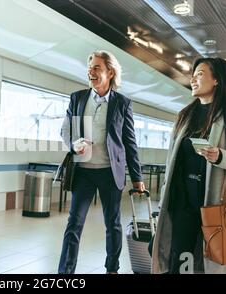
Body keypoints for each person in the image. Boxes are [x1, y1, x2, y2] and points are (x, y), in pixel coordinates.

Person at [151, 57, 226, 274]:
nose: (193, 79)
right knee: (181, 263)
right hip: (183, 204)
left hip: (218, 205)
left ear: (217, 80)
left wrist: (221, 156)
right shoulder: (185, 115)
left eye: (200, 74)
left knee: (214, 263)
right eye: (193, 74)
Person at [58, 50, 145, 274]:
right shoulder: (77, 98)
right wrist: (73, 144)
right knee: (74, 224)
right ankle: (65, 273)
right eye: (90, 67)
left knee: (112, 224)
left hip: (109, 172)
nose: (91, 71)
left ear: (110, 72)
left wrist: (137, 178)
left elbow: (129, 142)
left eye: (97, 67)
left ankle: (112, 269)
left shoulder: (122, 103)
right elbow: (66, 130)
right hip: (83, 172)